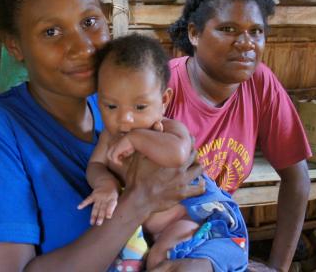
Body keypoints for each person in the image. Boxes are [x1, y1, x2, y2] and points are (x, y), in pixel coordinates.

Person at [0, 0, 211, 272]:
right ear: (15, 45)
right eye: (51, 31)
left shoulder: (116, 111)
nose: (82, 46)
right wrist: (139, 201)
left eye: (89, 22)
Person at [166, 0, 312, 271]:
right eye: (228, 29)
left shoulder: (260, 83)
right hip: (155, 234)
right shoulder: (164, 87)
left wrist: (277, 267)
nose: (246, 43)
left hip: (215, 236)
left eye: (256, 31)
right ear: (194, 33)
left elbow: (297, 178)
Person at [78, 33, 248, 271]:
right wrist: (105, 184)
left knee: (161, 259)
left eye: (139, 107)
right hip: (141, 229)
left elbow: (178, 155)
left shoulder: (167, 129)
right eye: (111, 106)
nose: (125, 119)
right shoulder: (108, 137)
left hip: (186, 220)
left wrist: (137, 139)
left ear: (164, 100)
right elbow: (95, 165)